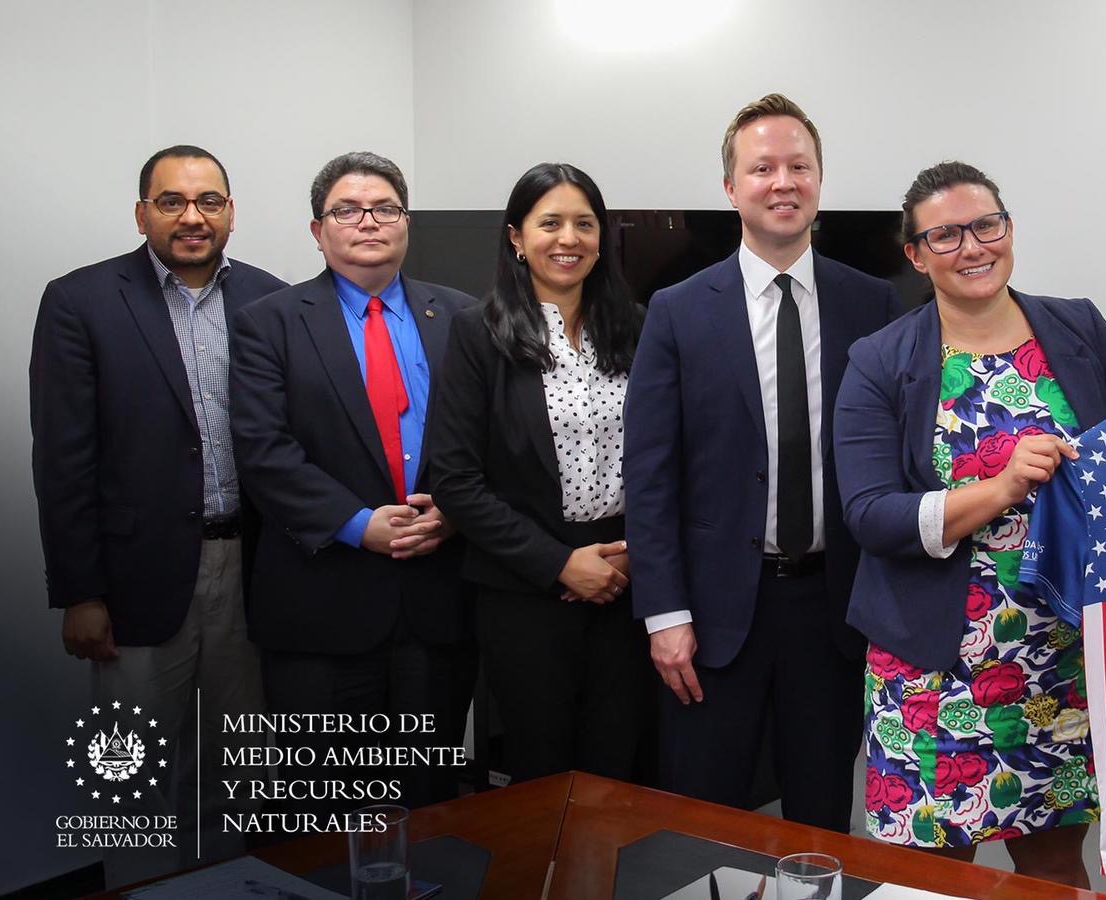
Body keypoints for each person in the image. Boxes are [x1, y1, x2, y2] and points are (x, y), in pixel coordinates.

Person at [832, 160, 1106, 886]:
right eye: (944, 235)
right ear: (914, 254)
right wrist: (1001, 486)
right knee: (929, 877)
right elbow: (870, 514)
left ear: (1009, 229)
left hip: (1058, 657)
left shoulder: (1077, 326)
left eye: (986, 225)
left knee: (1052, 868)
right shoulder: (880, 361)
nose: (973, 247)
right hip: (929, 668)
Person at [624, 93, 900, 830]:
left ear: (819, 180)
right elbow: (649, 476)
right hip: (711, 617)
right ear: (730, 188)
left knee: (821, 819)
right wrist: (664, 613)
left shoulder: (872, 304)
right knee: (704, 824)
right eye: (762, 168)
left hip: (833, 613)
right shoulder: (677, 310)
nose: (783, 182)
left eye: (799, 166)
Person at [29, 144, 285, 886]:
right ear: (142, 212)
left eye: (209, 200)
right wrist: (79, 591)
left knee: (245, 769)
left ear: (231, 211)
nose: (192, 217)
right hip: (135, 581)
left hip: (252, 574)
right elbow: (64, 459)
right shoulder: (81, 301)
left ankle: (239, 884)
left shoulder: (271, 299)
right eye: (171, 201)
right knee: (132, 774)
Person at [229, 151, 476, 816]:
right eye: (347, 210)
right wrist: (358, 524)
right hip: (320, 609)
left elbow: (491, 440)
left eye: (385, 208)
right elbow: (262, 450)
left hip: (436, 602)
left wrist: (452, 512)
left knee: (431, 805)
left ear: (406, 222)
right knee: (325, 814)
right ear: (318, 230)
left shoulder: (462, 316)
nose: (368, 221)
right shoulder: (268, 322)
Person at [428, 162, 648, 783]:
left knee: (619, 763)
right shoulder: (479, 333)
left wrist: (636, 552)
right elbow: (455, 479)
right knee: (540, 769)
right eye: (549, 223)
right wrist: (559, 563)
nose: (568, 238)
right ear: (517, 238)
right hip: (525, 587)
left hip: (625, 576)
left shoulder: (638, 326)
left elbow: (666, 453)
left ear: (602, 238)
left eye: (584, 223)